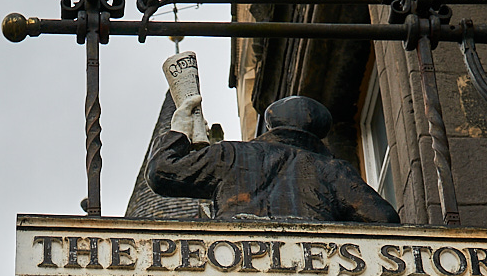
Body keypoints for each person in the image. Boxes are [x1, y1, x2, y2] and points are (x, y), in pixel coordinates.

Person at [146, 92, 400, 226]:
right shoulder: (333, 170)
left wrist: (179, 130)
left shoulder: (230, 154)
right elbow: (384, 219)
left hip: (235, 259)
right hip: (311, 267)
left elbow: (163, 171)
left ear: (271, 124)